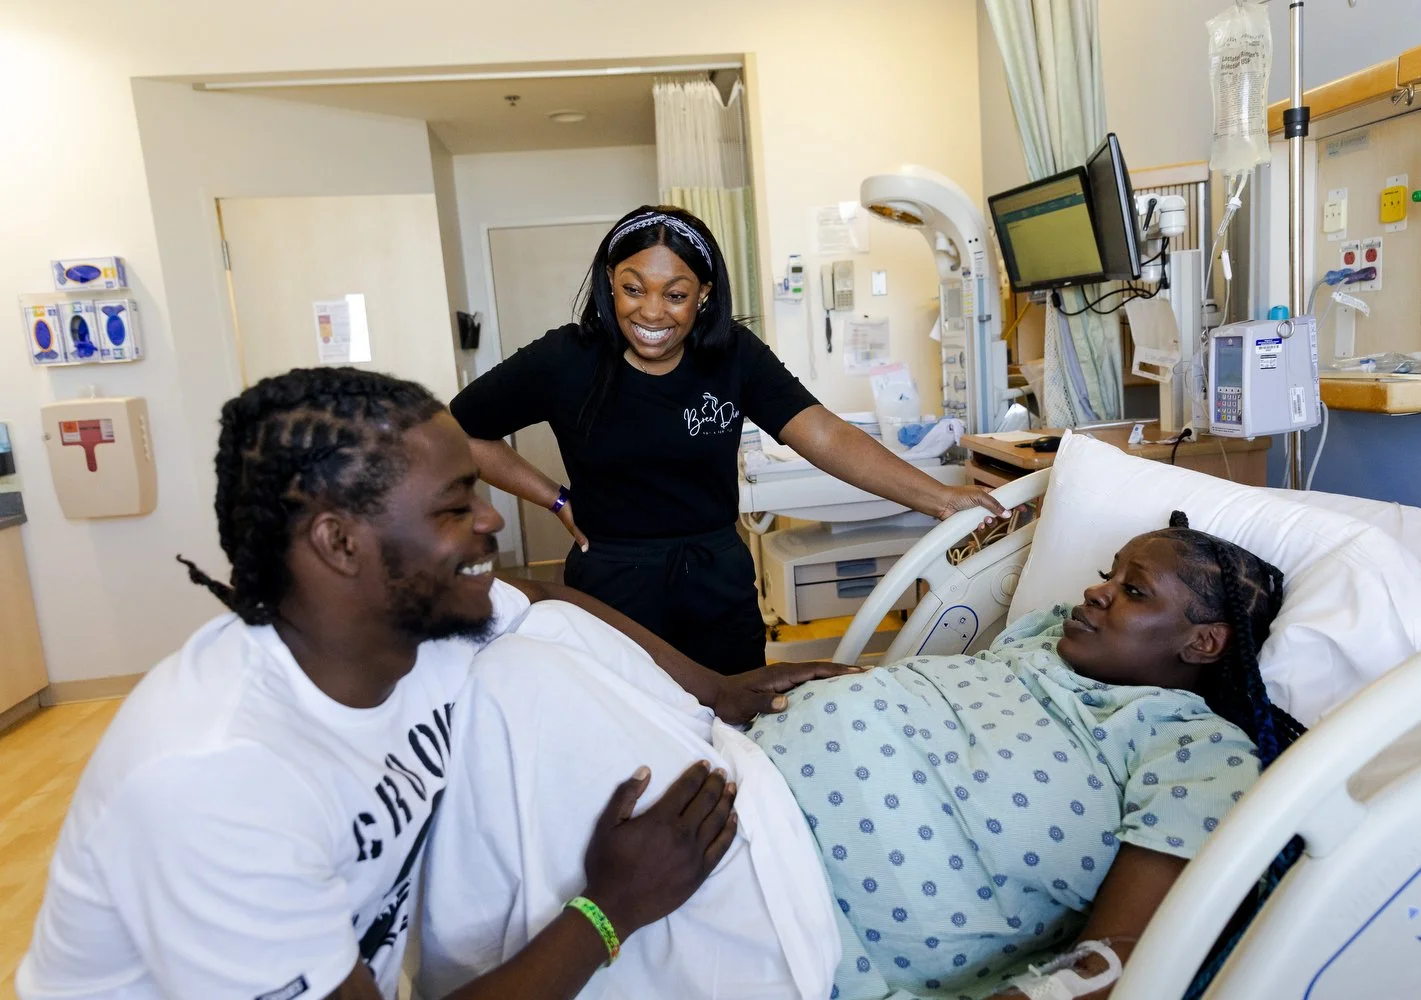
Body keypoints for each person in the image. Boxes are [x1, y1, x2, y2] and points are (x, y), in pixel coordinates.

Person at [17, 367, 852, 1000]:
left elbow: (547, 597)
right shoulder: (217, 779)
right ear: (341, 544)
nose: (493, 521)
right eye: (456, 506)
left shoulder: (418, 630)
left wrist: (715, 689)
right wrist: (610, 907)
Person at [419, 512, 1303, 1000]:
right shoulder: (1042, 642)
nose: (1096, 589)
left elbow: (1115, 966)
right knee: (541, 621)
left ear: (1202, 645)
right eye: (1109, 570)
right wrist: (722, 690)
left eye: (1133, 590)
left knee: (515, 680)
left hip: (781, 898)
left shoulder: (1196, 750)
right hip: (727, 762)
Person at [449, 204, 1006, 674]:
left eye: (675, 294)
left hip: (716, 579)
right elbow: (459, 432)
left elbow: (820, 432)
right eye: (632, 288)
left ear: (704, 295)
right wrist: (556, 498)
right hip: (612, 583)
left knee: (738, 728)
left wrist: (941, 498)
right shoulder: (566, 358)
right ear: (609, 283)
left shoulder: (731, 355)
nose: (650, 311)